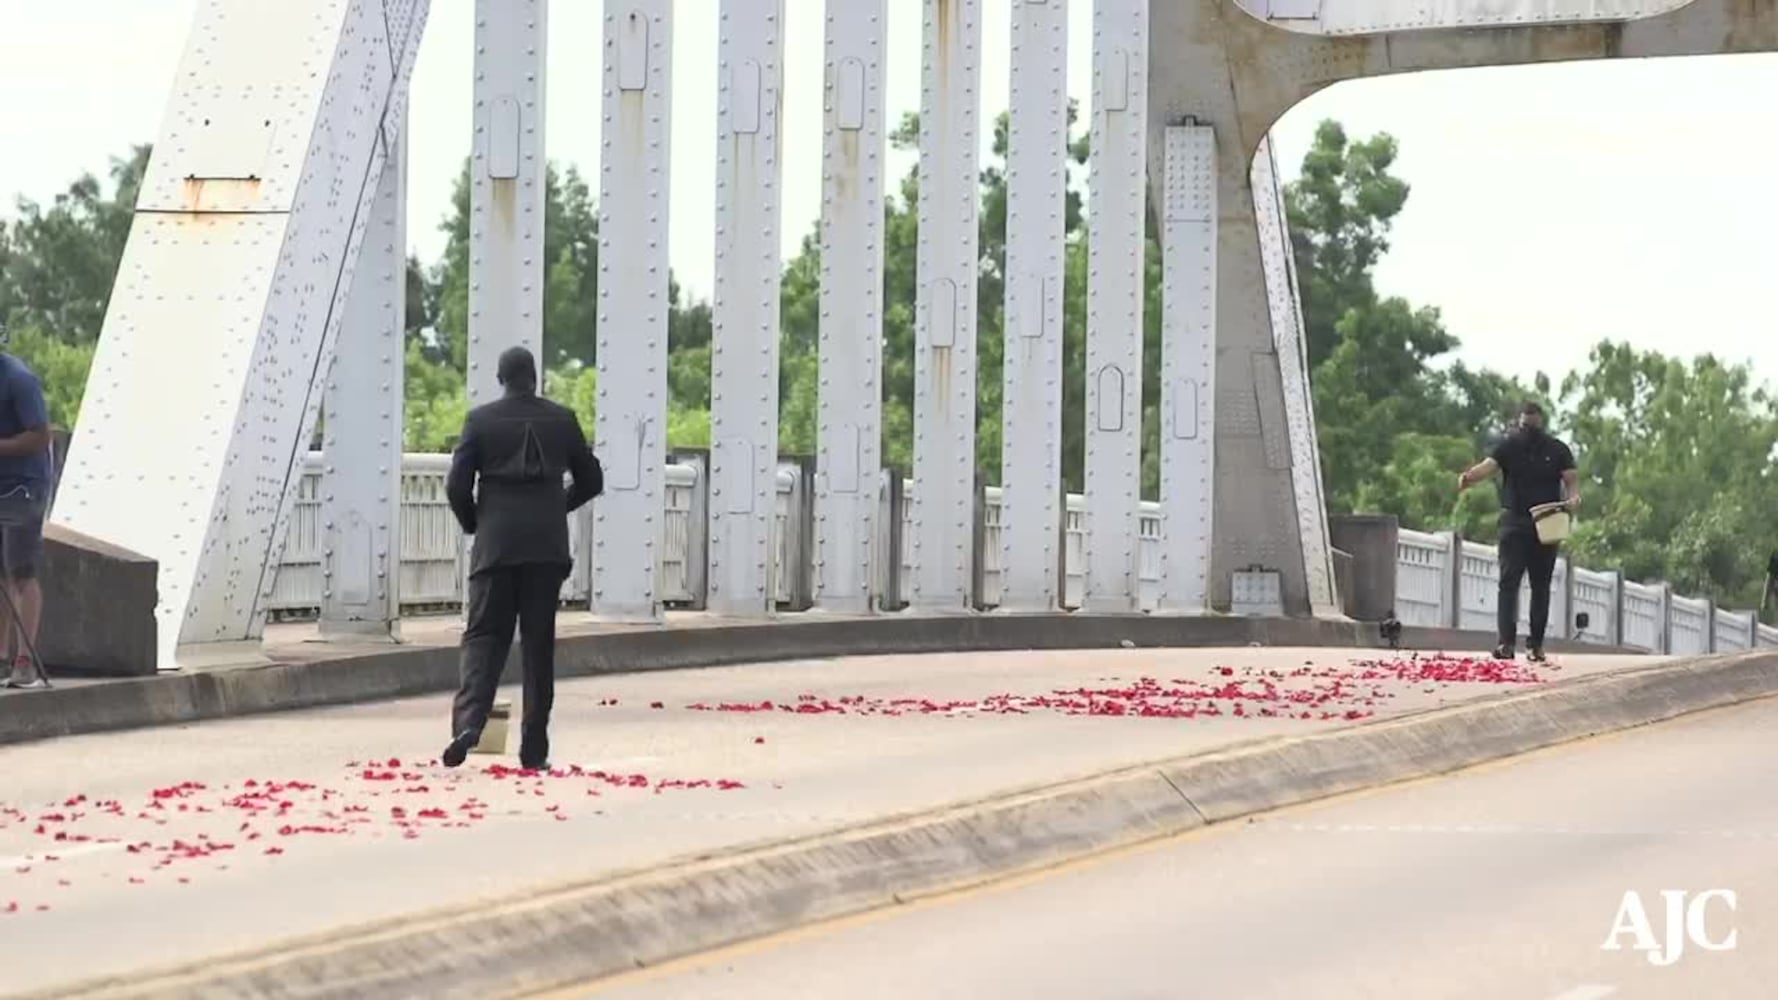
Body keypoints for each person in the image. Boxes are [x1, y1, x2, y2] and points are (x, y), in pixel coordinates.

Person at [441, 346, 602, 769]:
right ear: (536, 377)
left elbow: (457, 486)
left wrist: (476, 522)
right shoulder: (562, 420)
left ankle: (470, 725)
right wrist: (557, 506)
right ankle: (534, 749)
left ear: (501, 378)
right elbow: (592, 479)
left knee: (483, 638)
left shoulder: (480, 421)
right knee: (537, 646)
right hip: (546, 549)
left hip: (496, 545)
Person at [1457, 401, 1579, 663]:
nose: (1529, 430)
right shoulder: (1510, 446)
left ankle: (1530, 645)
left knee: (1535, 585)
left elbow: (1571, 480)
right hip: (1517, 521)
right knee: (1513, 583)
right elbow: (1488, 467)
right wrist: (1469, 477)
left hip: (1544, 522)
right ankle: (1511, 644)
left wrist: (1573, 498)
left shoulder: (1556, 449)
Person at [0, 323, 53, 690]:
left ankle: (24, 662)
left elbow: (40, 435)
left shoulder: (18, 379)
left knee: (21, 572)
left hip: (23, 487)